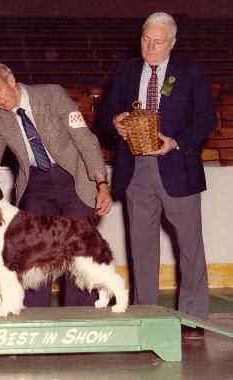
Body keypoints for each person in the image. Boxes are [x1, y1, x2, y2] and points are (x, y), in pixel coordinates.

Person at [0, 62, 112, 307]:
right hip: (36, 181)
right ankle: (37, 318)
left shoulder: (52, 95)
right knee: (33, 252)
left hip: (74, 177)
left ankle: (79, 320)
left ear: (11, 79)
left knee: (77, 251)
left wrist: (101, 183)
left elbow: (85, 138)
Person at [99, 12, 217, 339]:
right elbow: (107, 113)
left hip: (177, 168)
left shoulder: (190, 72)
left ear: (173, 43)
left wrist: (176, 142)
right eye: (145, 39)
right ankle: (146, 314)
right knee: (142, 248)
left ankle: (194, 318)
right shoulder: (125, 72)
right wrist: (117, 121)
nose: (150, 47)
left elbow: (207, 119)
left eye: (158, 42)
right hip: (135, 170)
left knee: (190, 248)